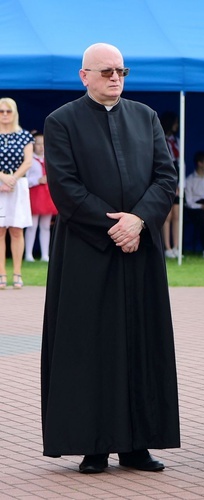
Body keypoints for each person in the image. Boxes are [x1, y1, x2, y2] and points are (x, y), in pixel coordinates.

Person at [41, 42, 180, 474]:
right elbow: (64, 188)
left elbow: (165, 177)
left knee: (142, 343)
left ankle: (138, 444)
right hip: (88, 251)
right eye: (106, 71)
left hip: (141, 249)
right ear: (84, 76)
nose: (115, 78)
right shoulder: (61, 121)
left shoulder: (146, 117)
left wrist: (139, 221)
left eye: (121, 70)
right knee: (92, 349)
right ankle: (94, 444)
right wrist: (115, 228)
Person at [0, 97, 33, 290]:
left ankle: (17, 273)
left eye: (8, 111)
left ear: (14, 113)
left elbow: (28, 162)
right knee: (0, 230)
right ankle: (1, 273)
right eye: (1, 111)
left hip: (18, 186)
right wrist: (3, 178)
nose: (4, 115)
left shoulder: (24, 135)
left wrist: (12, 179)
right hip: (1, 184)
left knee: (17, 230)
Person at [25, 131, 58, 263]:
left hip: (47, 194)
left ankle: (45, 254)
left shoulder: (50, 159)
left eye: (43, 144)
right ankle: (29, 254)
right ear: (33, 145)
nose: (41, 147)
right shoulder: (29, 160)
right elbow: (24, 179)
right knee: (32, 225)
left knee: (45, 225)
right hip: (34, 194)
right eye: (38, 144)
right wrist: (37, 180)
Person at [184, 151, 204, 258]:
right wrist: (202, 207)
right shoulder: (189, 180)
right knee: (202, 217)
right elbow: (189, 202)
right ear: (199, 163)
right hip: (196, 209)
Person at [160, 111, 181, 258]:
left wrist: (180, 185)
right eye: (175, 122)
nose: (177, 125)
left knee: (177, 215)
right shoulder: (160, 139)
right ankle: (167, 247)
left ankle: (177, 247)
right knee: (166, 216)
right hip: (165, 179)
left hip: (177, 178)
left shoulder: (176, 140)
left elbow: (181, 162)